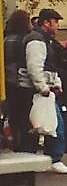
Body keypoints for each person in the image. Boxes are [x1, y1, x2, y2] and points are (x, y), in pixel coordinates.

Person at [19, 9, 67, 173]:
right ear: (46, 23)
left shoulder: (41, 39)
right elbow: (35, 67)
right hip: (39, 91)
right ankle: (54, 158)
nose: (58, 26)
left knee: (41, 124)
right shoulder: (37, 41)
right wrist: (43, 87)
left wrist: (55, 82)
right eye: (56, 22)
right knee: (53, 125)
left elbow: (47, 66)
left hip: (40, 89)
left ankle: (38, 158)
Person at [3, 9, 33, 152]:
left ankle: (16, 142)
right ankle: (25, 145)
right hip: (22, 82)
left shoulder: (6, 40)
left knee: (14, 116)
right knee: (25, 116)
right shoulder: (25, 40)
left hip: (8, 83)